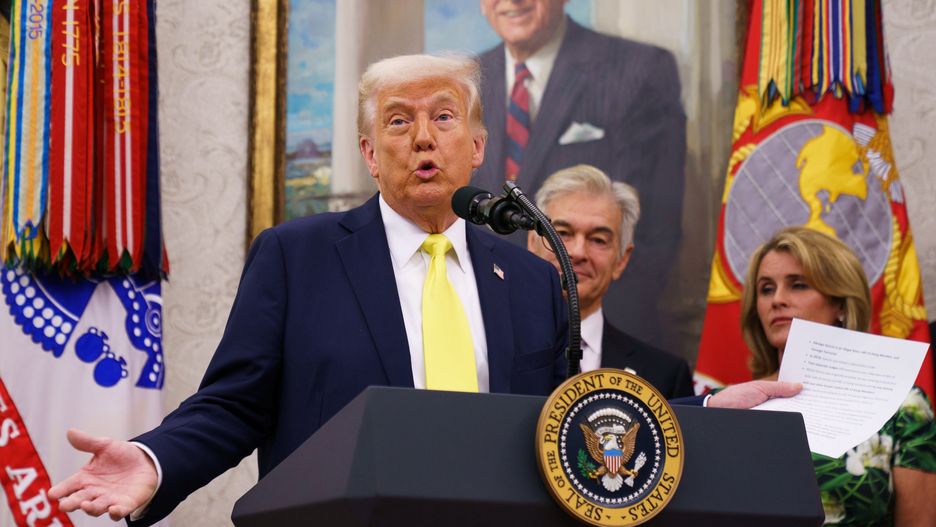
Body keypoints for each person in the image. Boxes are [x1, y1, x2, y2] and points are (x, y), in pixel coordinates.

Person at [48, 54, 571, 525]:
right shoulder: (296, 257)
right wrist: (155, 460)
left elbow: (555, 433)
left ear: (477, 146)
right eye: (398, 121)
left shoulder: (533, 281)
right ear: (369, 153)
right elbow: (235, 405)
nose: (423, 138)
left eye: (443, 116)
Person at [473, 0, 687, 350]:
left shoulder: (639, 70)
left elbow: (657, 230)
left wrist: (589, 338)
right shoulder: (465, 80)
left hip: (601, 342)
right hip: (487, 338)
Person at [741, 226, 936, 526]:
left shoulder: (903, 405)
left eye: (798, 285)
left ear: (840, 304)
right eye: (766, 289)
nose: (777, 299)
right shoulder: (728, 403)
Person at [527, 164, 692, 398]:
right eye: (562, 233)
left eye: (598, 240)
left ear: (621, 260)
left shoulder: (663, 376)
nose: (578, 252)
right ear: (533, 244)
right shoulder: (490, 346)